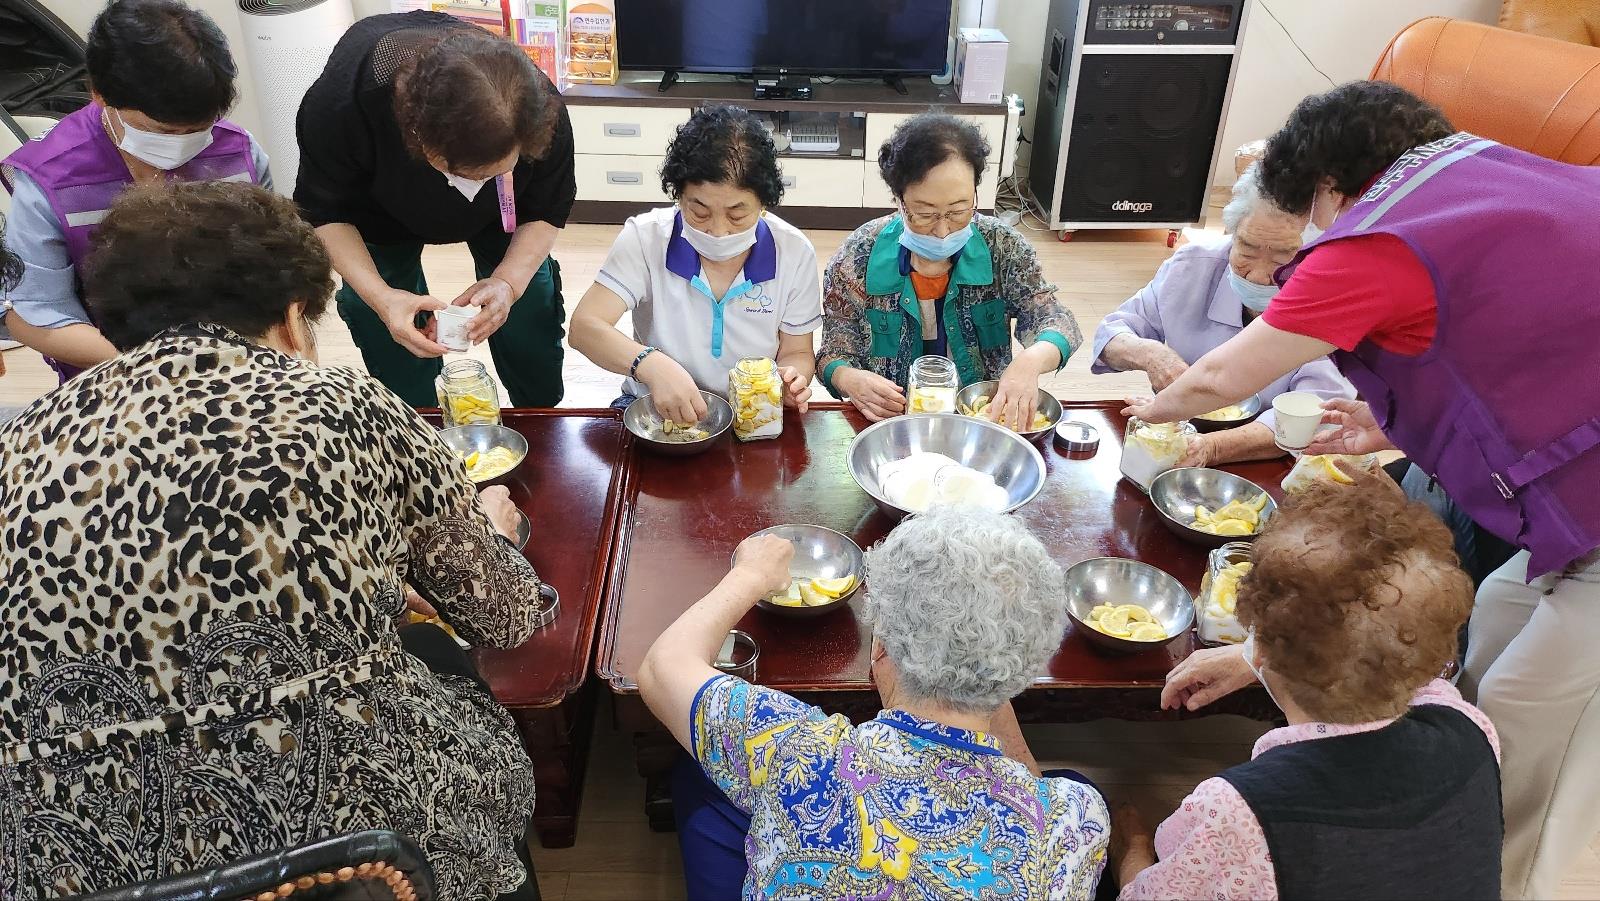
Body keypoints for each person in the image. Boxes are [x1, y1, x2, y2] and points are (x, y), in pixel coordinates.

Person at [0, 182, 546, 899]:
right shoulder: (343, 407)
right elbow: (504, 616)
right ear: (294, 317)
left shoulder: (19, 443)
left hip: (67, 860)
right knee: (469, 736)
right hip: (347, 847)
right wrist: (497, 536)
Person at [1123, 80, 1600, 900]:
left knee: (1533, 711)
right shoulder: (1486, 166)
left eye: (1307, 216)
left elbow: (1226, 374)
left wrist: (1153, 412)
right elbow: (1510, 351)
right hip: (1565, 487)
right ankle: (1442, 793)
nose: (1307, 239)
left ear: (1332, 188)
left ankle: (1500, 866)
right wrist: (1395, 429)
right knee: (1496, 623)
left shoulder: (1378, 233)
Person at [637, 508, 1110, 901]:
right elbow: (1025, 783)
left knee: (696, 774)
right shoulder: (1078, 820)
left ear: (879, 644)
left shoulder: (798, 750)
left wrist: (751, 575)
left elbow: (663, 667)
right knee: (1072, 778)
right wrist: (988, 679)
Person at [1113, 475, 1501, 899]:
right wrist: (1256, 655)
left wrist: (1133, 851)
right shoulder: (1471, 727)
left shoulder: (1240, 812)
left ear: (1258, 646)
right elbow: (1414, 665)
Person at [296, 10, 575, 408]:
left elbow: (548, 205)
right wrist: (383, 298)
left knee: (531, 299)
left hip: (505, 212)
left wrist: (508, 284)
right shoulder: (343, 107)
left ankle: (541, 413)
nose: (472, 189)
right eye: (461, 174)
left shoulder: (538, 109)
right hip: (379, 212)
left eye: (496, 171)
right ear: (415, 133)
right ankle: (418, 422)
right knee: (381, 318)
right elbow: (325, 212)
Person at [0, 0, 271, 384]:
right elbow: (34, 313)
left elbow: (276, 271)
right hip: (109, 377)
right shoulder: (51, 177)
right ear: (99, 94)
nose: (180, 145)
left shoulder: (237, 154)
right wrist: (158, 367)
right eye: (160, 131)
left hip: (241, 365)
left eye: (197, 128)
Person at [817, 114, 1082, 428]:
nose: (942, 231)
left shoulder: (1003, 247)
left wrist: (1032, 360)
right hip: (892, 423)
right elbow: (833, 351)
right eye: (925, 214)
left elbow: (1054, 317)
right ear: (899, 202)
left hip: (981, 419)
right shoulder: (859, 256)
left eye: (959, 210)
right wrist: (849, 379)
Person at [569, 105, 818, 424]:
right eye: (698, 211)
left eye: (737, 214)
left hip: (749, 409)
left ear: (764, 204)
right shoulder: (646, 239)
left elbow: (797, 352)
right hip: (653, 405)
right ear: (678, 196)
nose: (718, 230)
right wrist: (650, 364)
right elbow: (584, 328)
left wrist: (791, 379)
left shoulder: (793, 252)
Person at [1092, 164, 1352, 466]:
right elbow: (1113, 332)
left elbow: (1313, 416)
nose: (1257, 275)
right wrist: (1151, 355)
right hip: (1174, 430)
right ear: (1232, 233)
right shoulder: (1193, 266)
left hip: (1272, 458)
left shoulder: (1333, 299)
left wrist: (1211, 447)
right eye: (1247, 250)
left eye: (1284, 258)